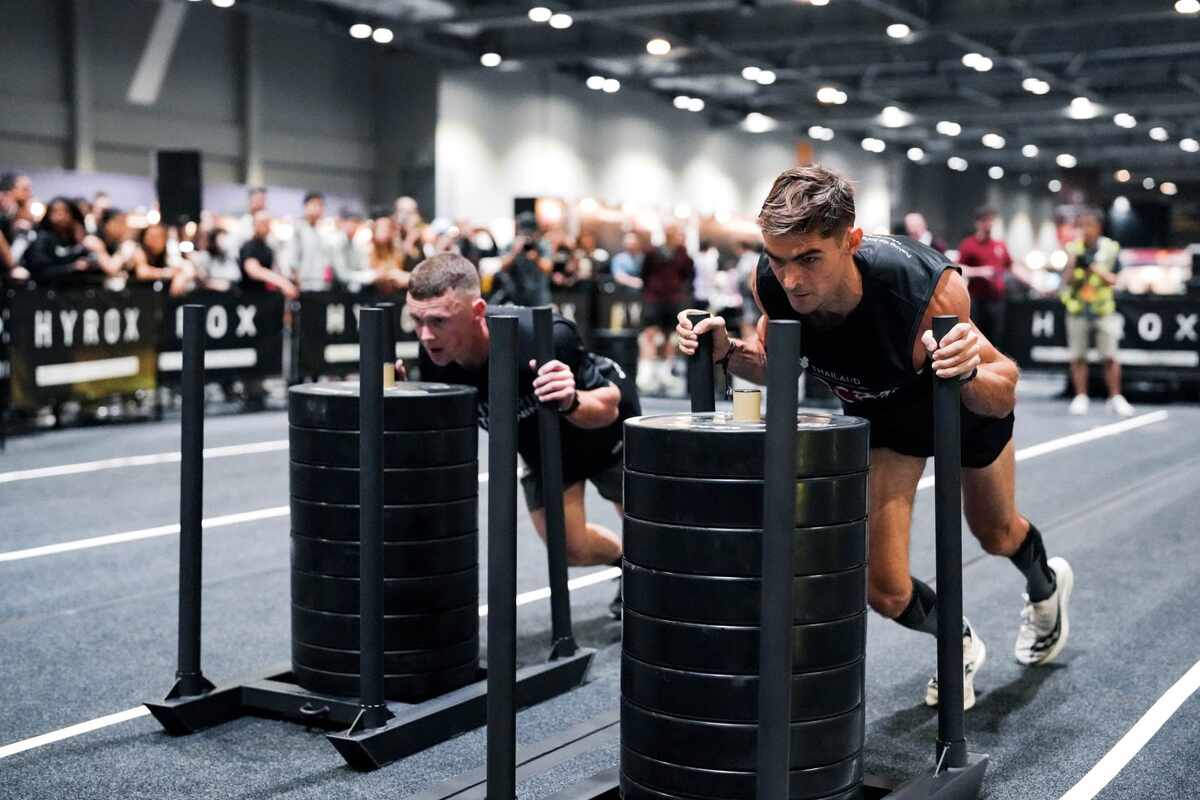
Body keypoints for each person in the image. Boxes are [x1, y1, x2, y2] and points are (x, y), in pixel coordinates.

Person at [677, 165, 1074, 710]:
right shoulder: (773, 285)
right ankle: (955, 639)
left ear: (851, 242)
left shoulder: (925, 290)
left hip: (961, 407)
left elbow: (1003, 387)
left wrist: (968, 371)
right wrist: (727, 350)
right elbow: (776, 365)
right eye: (777, 258)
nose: (791, 279)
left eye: (809, 258)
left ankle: (1046, 587)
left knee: (997, 534)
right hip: (888, 422)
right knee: (883, 590)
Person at [402, 253, 639, 617]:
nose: (425, 335)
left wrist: (570, 399)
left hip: (602, 430)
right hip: (543, 448)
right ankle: (630, 566)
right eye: (416, 320)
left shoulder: (540, 337)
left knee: (650, 530)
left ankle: (651, 572)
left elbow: (608, 405)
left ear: (478, 310)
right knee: (569, 550)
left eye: (438, 321)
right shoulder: (437, 358)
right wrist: (405, 404)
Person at [1060, 209, 1133, 416]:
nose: (1085, 230)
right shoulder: (1072, 249)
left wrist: (1094, 267)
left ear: (1098, 227)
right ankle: (1081, 396)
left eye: (1089, 225)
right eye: (1081, 225)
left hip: (1103, 310)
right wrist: (1074, 261)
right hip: (1077, 308)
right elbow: (1066, 280)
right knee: (1078, 356)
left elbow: (1115, 279)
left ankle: (1115, 397)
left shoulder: (1110, 248)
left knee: (1110, 356)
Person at [638, 225, 693, 396]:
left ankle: (664, 372)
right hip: (654, 299)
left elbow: (688, 274)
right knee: (651, 334)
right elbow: (644, 273)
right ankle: (646, 373)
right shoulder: (652, 252)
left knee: (671, 335)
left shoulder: (682, 254)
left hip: (673, 300)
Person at [957, 207, 1012, 349]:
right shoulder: (968, 244)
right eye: (985, 220)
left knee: (997, 338)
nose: (989, 224)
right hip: (977, 300)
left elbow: (1012, 266)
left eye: (991, 220)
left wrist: (1035, 283)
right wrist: (980, 272)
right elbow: (958, 269)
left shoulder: (999, 245)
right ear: (978, 223)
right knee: (976, 337)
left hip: (997, 300)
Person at [20, 197, 106, 288]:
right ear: (48, 214)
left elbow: (91, 260)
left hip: (76, 289)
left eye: (65, 211)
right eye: (55, 211)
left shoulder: (77, 237)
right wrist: (71, 268)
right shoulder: (42, 238)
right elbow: (40, 271)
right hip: (47, 289)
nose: (60, 215)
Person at [239, 210, 299, 298]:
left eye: (267, 222)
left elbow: (273, 270)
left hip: (265, 297)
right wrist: (282, 282)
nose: (265, 226)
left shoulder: (269, 249)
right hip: (248, 297)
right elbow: (253, 270)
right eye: (261, 223)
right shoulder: (249, 246)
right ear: (254, 225)